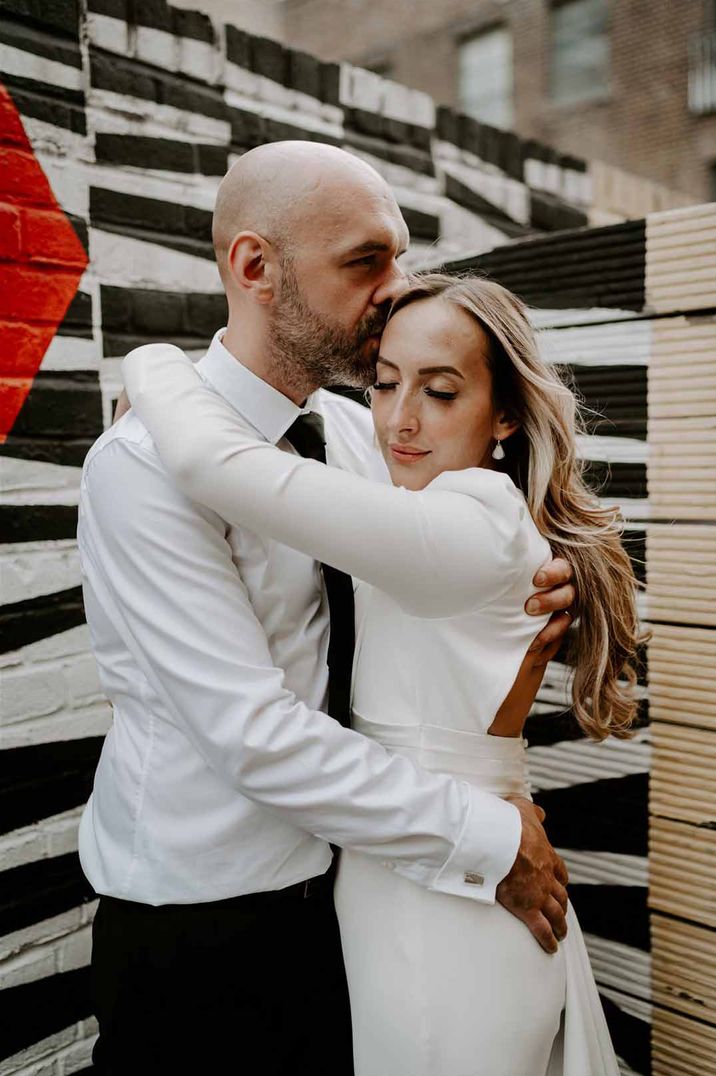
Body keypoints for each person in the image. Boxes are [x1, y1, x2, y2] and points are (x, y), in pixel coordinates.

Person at [78, 142, 576, 1075]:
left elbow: (464, 554)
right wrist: (487, 837)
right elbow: (253, 733)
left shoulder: (364, 427)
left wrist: (546, 578)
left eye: (397, 256)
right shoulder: (146, 468)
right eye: (365, 262)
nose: (396, 290)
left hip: (352, 893)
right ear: (256, 267)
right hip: (202, 929)